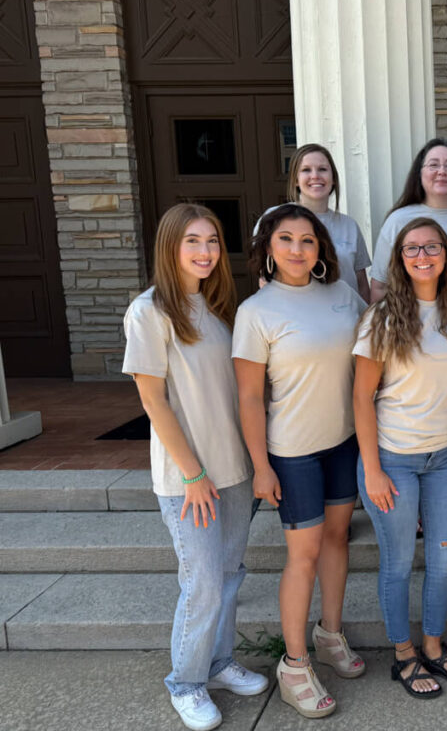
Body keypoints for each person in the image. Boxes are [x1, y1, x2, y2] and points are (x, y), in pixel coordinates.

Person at [123, 203, 268, 731]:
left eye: (211, 240)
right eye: (192, 241)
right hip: (190, 479)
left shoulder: (219, 306)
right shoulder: (150, 311)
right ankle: (185, 682)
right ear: (170, 247)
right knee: (203, 581)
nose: (205, 251)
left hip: (234, 473)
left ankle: (219, 662)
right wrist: (192, 473)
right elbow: (152, 400)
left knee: (229, 576)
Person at [233, 204, 367, 719]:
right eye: (285, 239)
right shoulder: (256, 312)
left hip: (344, 442)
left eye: (307, 240)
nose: (296, 249)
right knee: (303, 555)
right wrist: (261, 466)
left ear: (320, 249)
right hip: (293, 452)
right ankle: (293, 665)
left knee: (337, 540)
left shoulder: (341, 295)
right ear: (268, 248)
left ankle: (330, 634)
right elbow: (248, 398)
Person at [353, 217, 447, 699]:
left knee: (445, 562)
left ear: (446, 255)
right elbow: (361, 398)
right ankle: (403, 655)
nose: (422, 256)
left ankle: (432, 645)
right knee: (399, 562)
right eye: (411, 249)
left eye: (432, 247)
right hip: (394, 460)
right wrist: (373, 470)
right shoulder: (381, 319)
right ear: (400, 260)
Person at [369, 138, 447, 302]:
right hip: (411, 322)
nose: (442, 171)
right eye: (434, 165)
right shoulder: (398, 220)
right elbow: (380, 285)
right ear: (420, 174)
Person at [258, 143, 371, 301]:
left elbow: (361, 284)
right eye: (306, 170)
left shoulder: (349, 226)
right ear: (296, 180)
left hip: (345, 318)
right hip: (295, 319)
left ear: (333, 180)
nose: (315, 176)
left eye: (322, 169)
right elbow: (264, 278)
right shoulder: (275, 218)